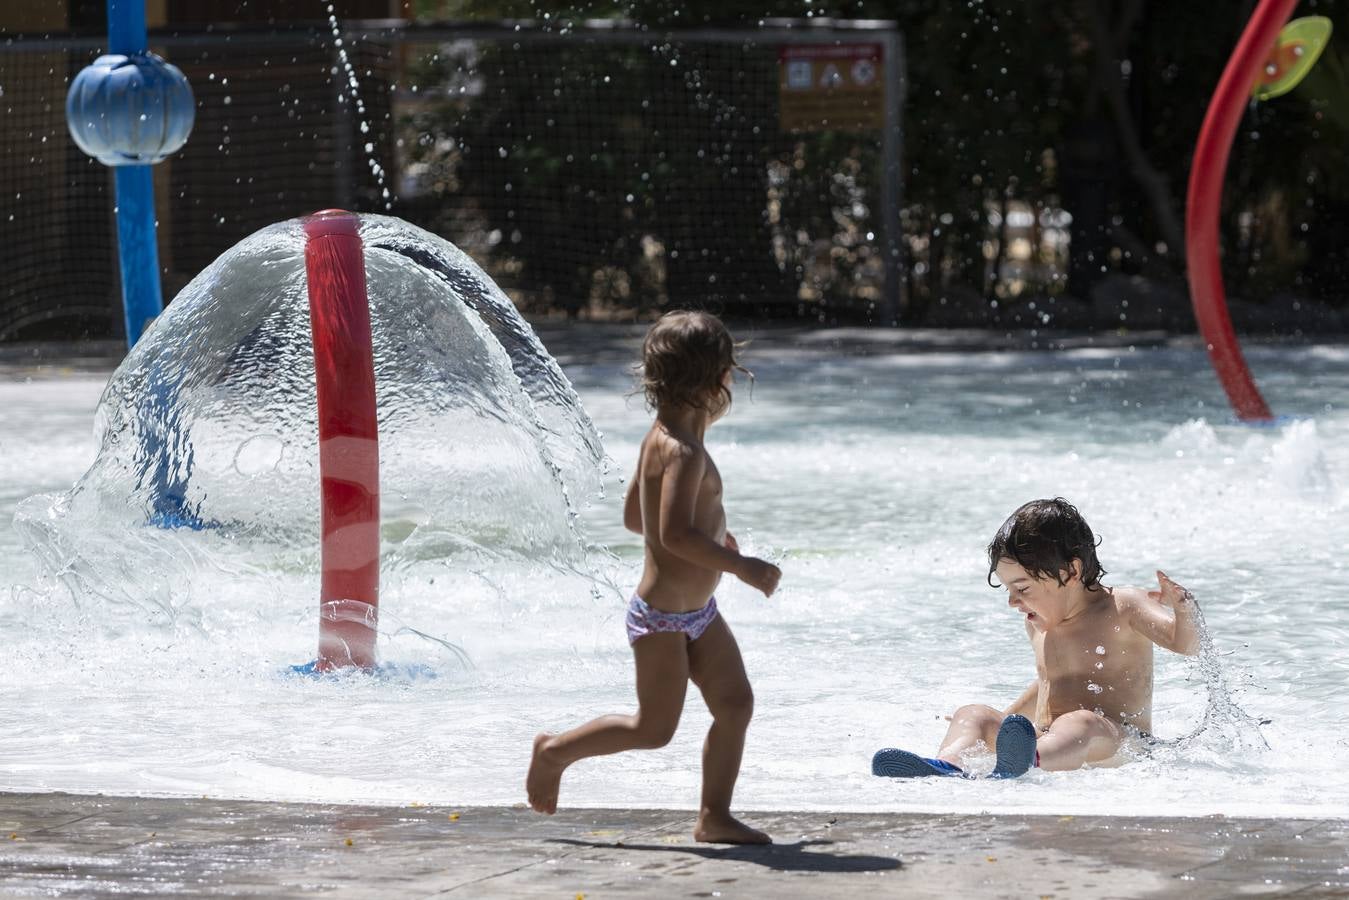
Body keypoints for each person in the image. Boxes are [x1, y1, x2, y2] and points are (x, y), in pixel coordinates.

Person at [527, 310, 782, 843]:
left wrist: (713, 537)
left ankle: (714, 817)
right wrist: (740, 566)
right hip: (663, 618)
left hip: (698, 614)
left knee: (736, 704)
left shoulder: (663, 437)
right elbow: (672, 536)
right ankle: (553, 752)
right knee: (653, 729)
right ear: (715, 380)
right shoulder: (683, 451)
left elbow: (635, 518)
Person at [873, 497, 1201, 779]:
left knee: (1080, 722)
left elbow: (1184, 644)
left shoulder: (1123, 606)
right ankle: (948, 765)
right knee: (974, 713)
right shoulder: (1039, 622)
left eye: (1023, 588)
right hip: (1045, 739)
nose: (1013, 601)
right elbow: (1047, 683)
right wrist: (1006, 722)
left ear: (1070, 573)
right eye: (1009, 589)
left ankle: (1028, 761)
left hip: (1119, 742)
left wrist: (1185, 612)